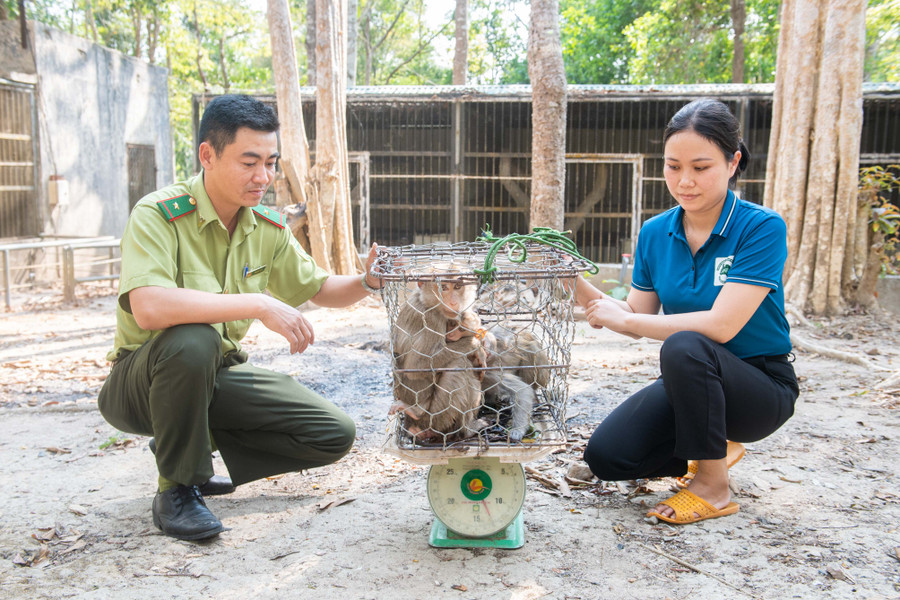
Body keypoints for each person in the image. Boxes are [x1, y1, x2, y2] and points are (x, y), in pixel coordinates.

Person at [98, 94, 383, 541]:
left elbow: (321, 288)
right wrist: (257, 303)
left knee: (332, 433)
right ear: (207, 155)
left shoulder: (264, 228)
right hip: (140, 383)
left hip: (211, 376)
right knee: (194, 338)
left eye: (271, 162)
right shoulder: (158, 214)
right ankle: (176, 491)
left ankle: (187, 444)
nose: (264, 177)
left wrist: (369, 281)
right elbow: (150, 307)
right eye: (249, 162)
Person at [575, 99, 799, 525]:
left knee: (686, 346)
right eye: (673, 166)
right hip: (691, 385)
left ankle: (713, 485)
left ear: (733, 162)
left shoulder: (761, 227)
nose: (685, 181)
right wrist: (570, 279)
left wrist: (629, 321)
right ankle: (714, 444)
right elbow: (633, 313)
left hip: (760, 387)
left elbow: (722, 325)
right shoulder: (656, 232)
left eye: (701, 167)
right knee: (608, 458)